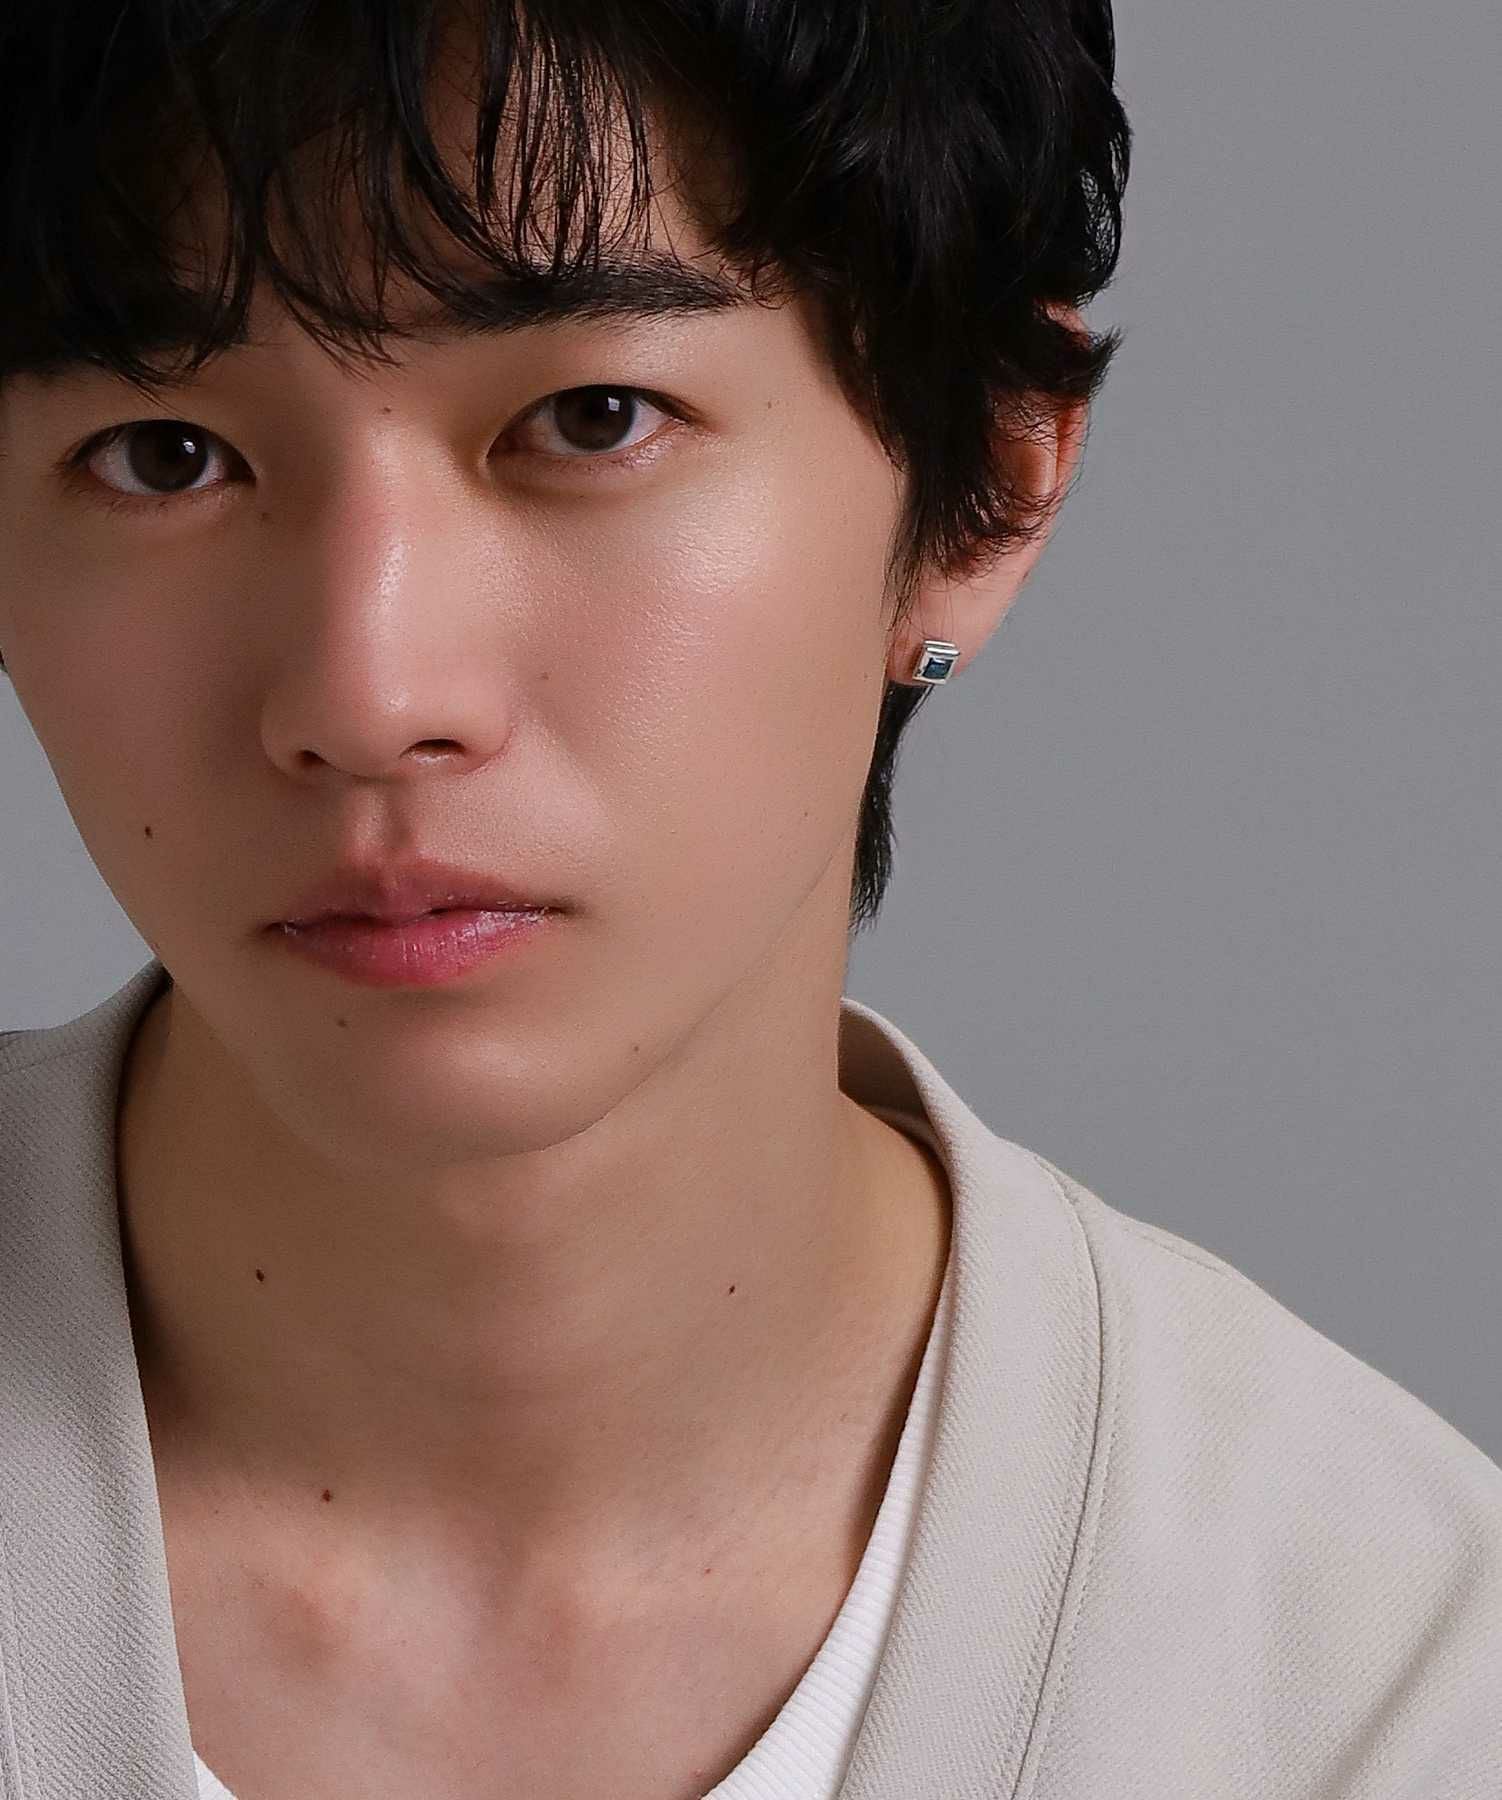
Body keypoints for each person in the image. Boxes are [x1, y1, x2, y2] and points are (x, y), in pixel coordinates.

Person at [0, 3, 1497, 1798]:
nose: (369, 691)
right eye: (165, 455)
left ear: (992, 476)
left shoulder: (1380, 1686)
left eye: (592, 419)